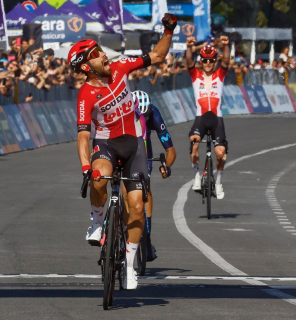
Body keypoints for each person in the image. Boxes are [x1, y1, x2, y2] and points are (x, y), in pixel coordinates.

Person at [71, 13, 177, 290]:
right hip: (105, 144)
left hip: (133, 145)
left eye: (100, 50)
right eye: (95, 54)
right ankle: (96, 221)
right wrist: (85, 167)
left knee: (138, 206)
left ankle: (130, 266)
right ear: (85, 67)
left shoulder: (120, 67)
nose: (103, 55)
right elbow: (83, 137)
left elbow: (156, 56)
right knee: (98, 176)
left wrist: (168, 31)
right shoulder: (86, 96)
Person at [132, 90, 176, 262]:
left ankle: (147, 240)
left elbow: (171, 151)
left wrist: (166, 167)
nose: (143, 118)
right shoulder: (125, 112)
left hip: (145, 151)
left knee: (145, 188)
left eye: (146, 115)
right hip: (127, 147)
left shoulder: (154, 114)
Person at [186, 35, 230, 200]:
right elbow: (189, 61)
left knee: (220, 154)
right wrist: (189, 47)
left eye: (211, 60)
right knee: (194, 143)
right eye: (204, 60)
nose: (208, 63)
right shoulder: (195, 75)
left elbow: (225, 61)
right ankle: (197, 176)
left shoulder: (219, 74)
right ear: (201, 61)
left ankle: (218, 182)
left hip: (217, 119)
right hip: (201, 118)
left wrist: (226, 45)